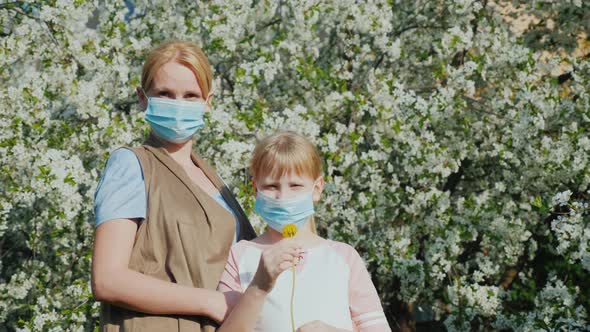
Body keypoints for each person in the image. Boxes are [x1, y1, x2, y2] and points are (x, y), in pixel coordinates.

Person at [91, 40, 256, 332]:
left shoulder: (213, 180)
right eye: (165, 94)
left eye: (190, 95)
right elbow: (107, 279)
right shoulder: (132, 164)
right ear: (143, 98)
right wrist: (212, 302)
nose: (178, 105)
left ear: (208, 102)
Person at [217, 131, 391, 332]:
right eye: (271, 186)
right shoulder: (239, 256)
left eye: (295, 185)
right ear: (255, 190)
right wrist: (259, 285)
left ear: (316, 189)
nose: (283, 197)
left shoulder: (344, 258)